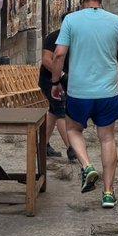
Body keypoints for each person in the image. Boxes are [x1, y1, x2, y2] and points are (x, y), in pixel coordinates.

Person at [49, 0, 118, 208]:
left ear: (81, 0)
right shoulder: (116, 22)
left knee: (73, 129)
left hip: (79, 91)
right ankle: (108, 193)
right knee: (107, 138)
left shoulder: (71, 20)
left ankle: (87, 166)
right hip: (108, 91)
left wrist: (55, 82)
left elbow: (58, 55)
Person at [38, 13, 75, 163]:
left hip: (64, 80)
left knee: (53, 112)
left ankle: (43, 146)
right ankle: (72, 148)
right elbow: (46, 59)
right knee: (61, 109)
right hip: (49, 80)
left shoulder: (75, 38)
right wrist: (60, 75)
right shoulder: (54, 37)